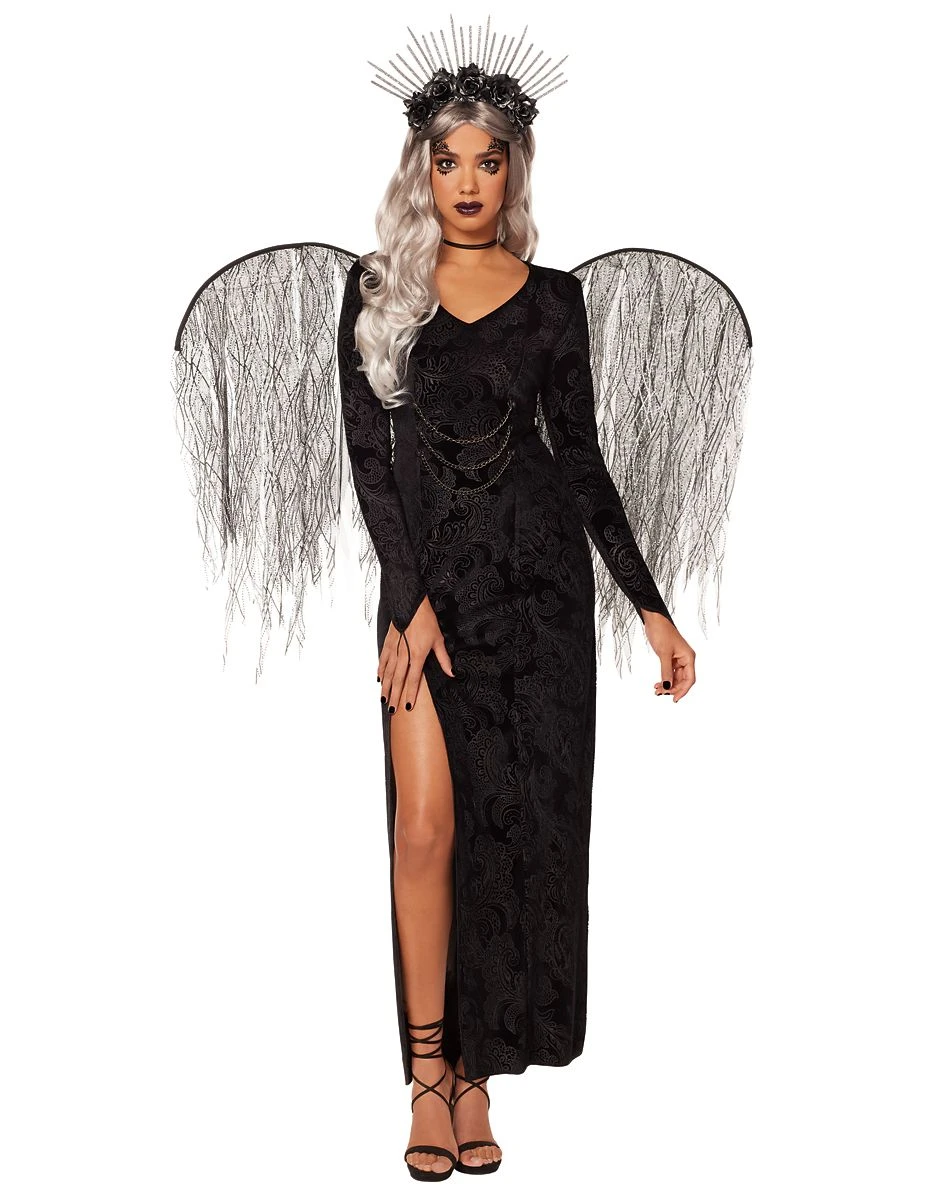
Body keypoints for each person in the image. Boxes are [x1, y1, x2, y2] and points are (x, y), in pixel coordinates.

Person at [337, 76, 697, 1180]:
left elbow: (579, 459)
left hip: (536, 597)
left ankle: (476, 1076)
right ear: (421, 169)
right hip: (427, 598)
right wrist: (407, 601)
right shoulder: (377, 287)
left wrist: (648, 606)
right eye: (447, 161)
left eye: (487, 162)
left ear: (513, 171)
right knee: (423, 831)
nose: (467, 184)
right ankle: (425, 1077)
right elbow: (368, 458)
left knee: (509, 833)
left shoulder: (553, 301)